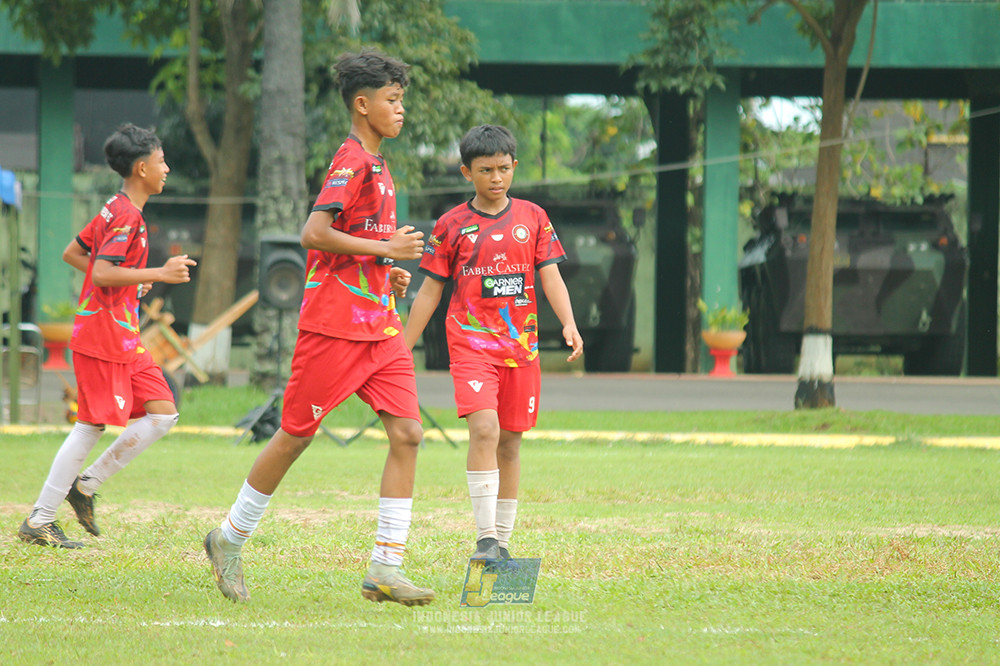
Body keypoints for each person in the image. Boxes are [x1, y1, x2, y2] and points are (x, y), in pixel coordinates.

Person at [204, 49, 434, 606]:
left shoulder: (380, 165)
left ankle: (385, 566)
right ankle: (228, 538)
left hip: (379, 329)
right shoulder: (351, 160)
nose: (401, 110)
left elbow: (355, 247)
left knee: (408, 433)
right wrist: (384, 247)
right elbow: (314, 233)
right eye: (393, 100)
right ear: (363, 105)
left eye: (401, 100)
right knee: (295, 437)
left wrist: (386, 271)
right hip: (333, 330)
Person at [404, 124, 583, 562]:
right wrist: (400, 346)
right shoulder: (449, 226)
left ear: (514, 167)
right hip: (469, 346)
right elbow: (429, 291)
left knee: (511, 443)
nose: (496, 178)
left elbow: (550, 275)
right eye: (486, 170)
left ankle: (502, 544)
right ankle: (485, 539)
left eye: (504, 169)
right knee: (485, 429)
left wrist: (569, 322)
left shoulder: (534, 217)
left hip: (521, 348)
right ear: (467, 172)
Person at [18, 123, 196, 548]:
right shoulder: (127, 215)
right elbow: (100, 270)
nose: (166, 168)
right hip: (102, 336)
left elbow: (74, 253)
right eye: (160, 161)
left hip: (123, 336)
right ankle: (39, 520)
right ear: (140, 168)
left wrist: (129, 282)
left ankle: (85, 486)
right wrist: (157, 273)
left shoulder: (114, 208)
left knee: (164, 413)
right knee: (91, 425)